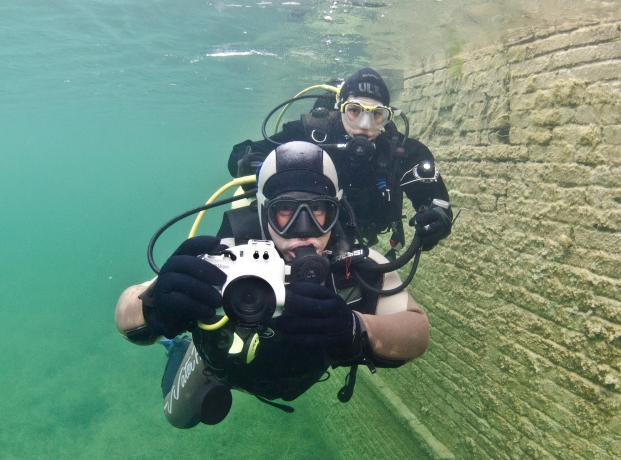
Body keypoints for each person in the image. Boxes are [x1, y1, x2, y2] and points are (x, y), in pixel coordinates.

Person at [115, 141, 430, 428]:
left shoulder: (355, 267)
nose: (304, 230)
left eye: (318, 210)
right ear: (264, 210)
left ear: (335, 211)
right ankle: (179, 348)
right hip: (219, 368)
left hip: (295, 381)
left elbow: (417, 330)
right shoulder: (226, 255)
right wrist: (154, 307)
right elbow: (125, 314)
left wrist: (355, 328)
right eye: (285, 210)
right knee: (178, 418)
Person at [228, 68, 453, 253]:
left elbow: (437, 204)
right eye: (355, 111)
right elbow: (239, 154)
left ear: (387, 117)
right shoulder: (312, 133)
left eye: (376, 115)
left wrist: (438, 221)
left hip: (356, 241)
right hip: (300, 234)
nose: (365, 125)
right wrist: (255, 165)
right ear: (341, 109)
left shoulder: (400, 151)